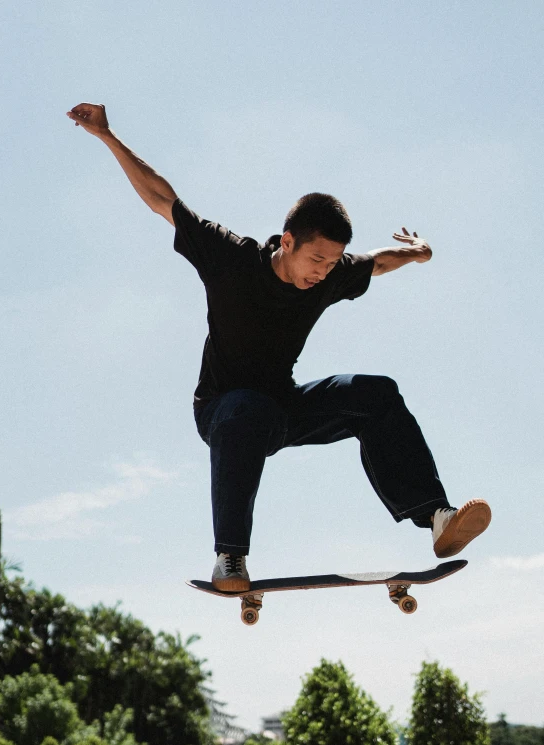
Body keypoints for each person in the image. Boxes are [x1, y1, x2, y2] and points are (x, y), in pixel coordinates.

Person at [67, 103, 491, 592]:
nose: (323, 272)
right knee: (244, 407)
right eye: (316, 259)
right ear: (287, 241)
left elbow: (375, 262)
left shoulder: (330, 276)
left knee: (376, 393)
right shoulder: (231, 258)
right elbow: (164, 200)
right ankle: (230, 558)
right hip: (223, 411)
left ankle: (435, 517)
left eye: (332, 264)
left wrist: (420, 253)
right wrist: (107, 135)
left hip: (284, 408)